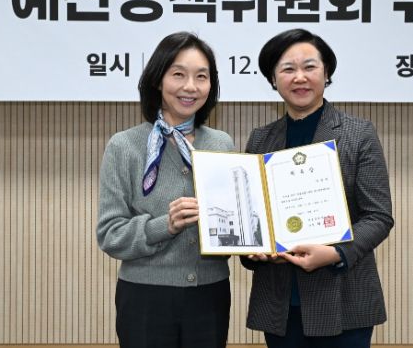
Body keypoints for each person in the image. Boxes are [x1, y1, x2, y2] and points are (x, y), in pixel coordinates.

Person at [241, 28, 394, 348]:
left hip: (343, 299)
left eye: (309, 67)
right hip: (280, 304)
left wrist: (335, 253)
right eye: (288, 69)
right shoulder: (260, 139)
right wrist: (254, 248)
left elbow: (378, 216)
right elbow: (251, 217)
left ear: (327, 74)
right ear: (273, 79)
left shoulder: (358, 134)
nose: (300, 77)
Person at [96, 32, 234, 348]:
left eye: (201, 77)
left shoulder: (221, 144)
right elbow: (110, 234)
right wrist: (165, 225)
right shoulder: (125, 146)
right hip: (145, 297)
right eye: (178, 74)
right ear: (158, 80)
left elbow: (230, 227)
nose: (190, 86)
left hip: (210, 294)